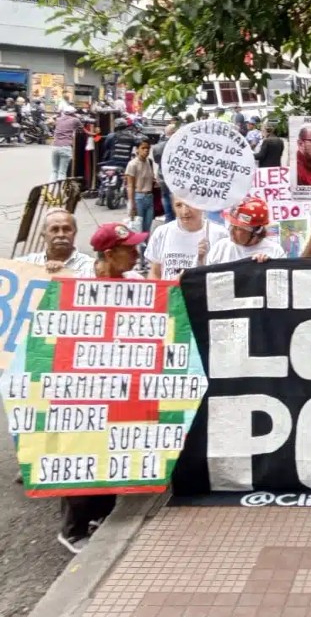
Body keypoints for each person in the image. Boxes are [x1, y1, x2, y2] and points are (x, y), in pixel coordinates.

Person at [55, 221, 149, 554]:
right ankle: (73, 528)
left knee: (110, 450)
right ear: (109, 254)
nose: (137, 254)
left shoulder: (135, 282)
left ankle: (100, 515)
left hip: (119, 387)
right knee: (82, 453)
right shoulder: (76, 285)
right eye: (131, 249)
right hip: (82, 389)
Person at [145, 197, 228, 279]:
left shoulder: (220, 234)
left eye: (189, 205)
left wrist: (205, 261)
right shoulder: (161, 232)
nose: (184, 212)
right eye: (178, 205)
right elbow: (155, 273)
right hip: (170, 291)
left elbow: (225, 277)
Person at [206, 197, 286, 263]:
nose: (231, 231)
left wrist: (269, 266)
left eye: (239, 228)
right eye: (232, 225)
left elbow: (282, 279)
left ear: (256, 231)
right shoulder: (221, 248)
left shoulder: (274, 251)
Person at [17, 209, 95, 276]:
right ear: (43, 234)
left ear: (75, 232)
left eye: (67, 229)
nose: (61, 235)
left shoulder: (91, 267)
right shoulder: (26, 263)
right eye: (54, 229)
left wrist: (64, 272)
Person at [125, 138, 156, 238]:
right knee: (138, 229)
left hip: (149, 198)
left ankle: (145, 252)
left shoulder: (149, 162)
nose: (146, 150)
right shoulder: (132, 164)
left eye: (148, 148)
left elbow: (152, 179)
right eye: (143, 148)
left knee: (147, 229)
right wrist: (132, 204)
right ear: (137, 149)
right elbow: (130, 185)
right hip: (139, 199)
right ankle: (138, 252)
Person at [50, 105, 81, 182]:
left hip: (55, 146)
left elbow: (51, 121)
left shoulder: (58, 120)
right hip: (66, 147)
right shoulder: (75, 120)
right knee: (62, 172)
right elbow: (82, 127)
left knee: (54, 170)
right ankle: (60, 191)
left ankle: (50, 190)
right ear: (73, 113)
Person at [152, 123, 176, 223]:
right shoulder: (179, 144)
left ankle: (169, 219)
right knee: (175, 199)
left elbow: (157, 161)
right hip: (176, 178)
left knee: (165, 197)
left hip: (163, 177)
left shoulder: (158, 147)